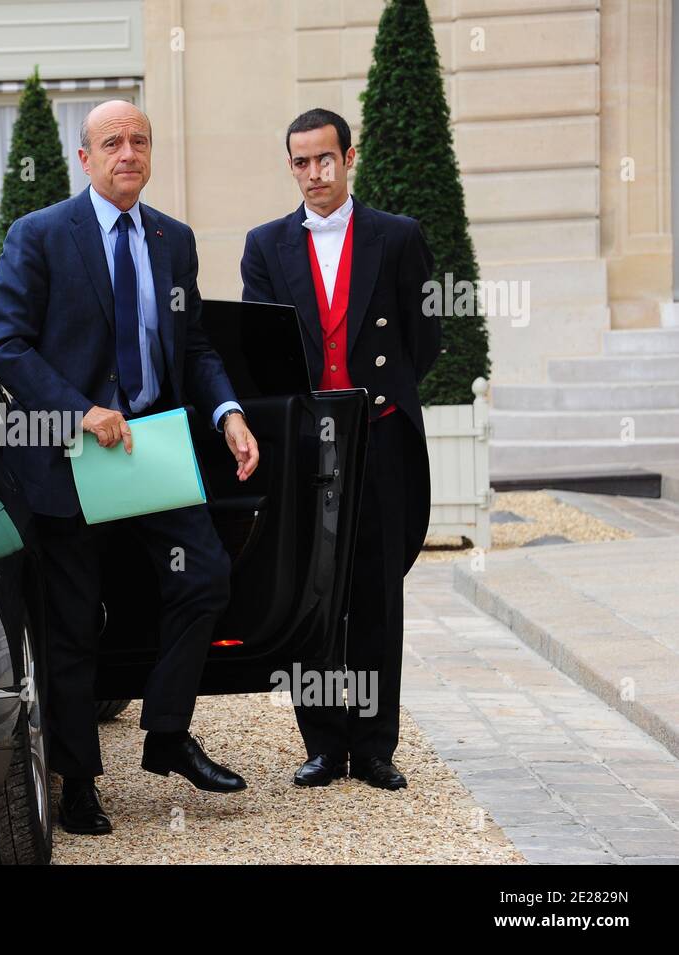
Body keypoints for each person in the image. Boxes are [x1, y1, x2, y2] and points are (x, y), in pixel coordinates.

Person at [0, 100, 260, 835]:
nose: (127, 152)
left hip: (151, 454)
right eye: (112, 142)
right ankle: (77, 782)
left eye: (139, 141)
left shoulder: (173, 239)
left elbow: (194, 346)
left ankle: (167, 733)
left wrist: (229, 412)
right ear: (85, 158)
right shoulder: (39, 236)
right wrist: (79, 409)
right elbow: (3, 344)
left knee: (205, 576)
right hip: (72, 459)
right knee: (74, 626)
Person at [239, 108, 440, 791]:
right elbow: (262, 347)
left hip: (377, 434)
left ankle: (375, 744)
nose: (314, 173)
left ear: (349, 157)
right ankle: (323, 742)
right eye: (301, 162)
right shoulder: (266, 245)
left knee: (379, 590)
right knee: (312, 590)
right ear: (290, 166)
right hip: (307, 445)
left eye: (325, 159)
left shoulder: (398, 237)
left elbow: (424, 339)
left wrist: (380, 395)